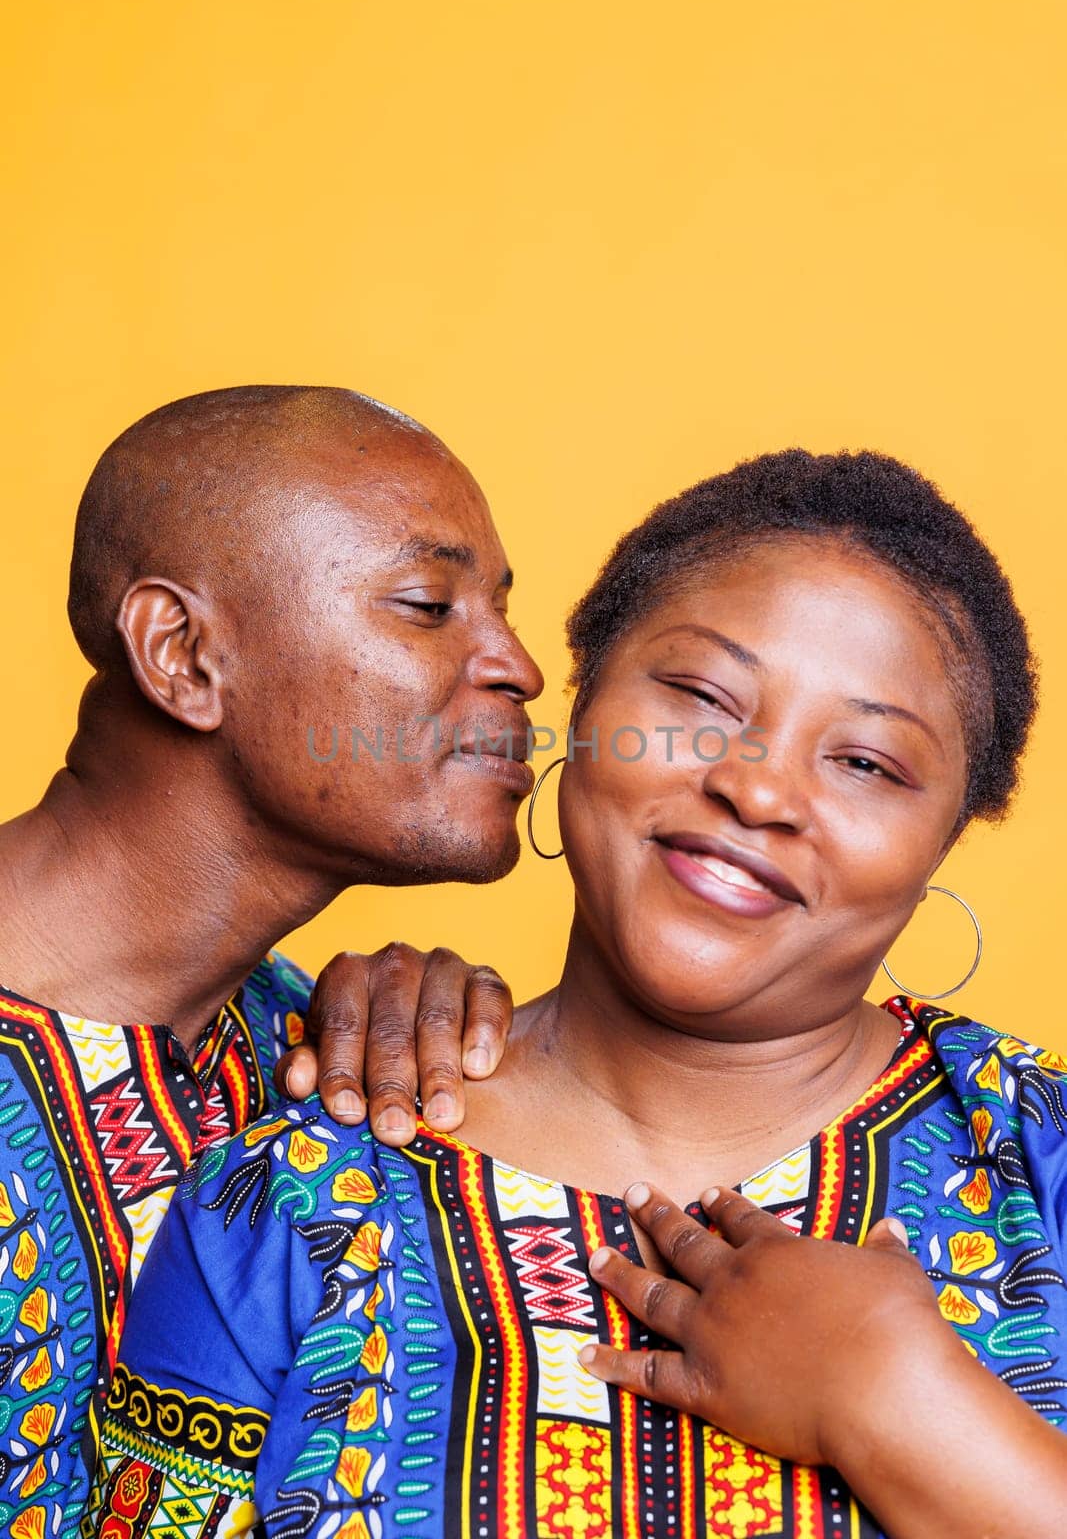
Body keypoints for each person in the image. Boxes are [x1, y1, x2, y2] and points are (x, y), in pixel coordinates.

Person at [90, 448, 1067, 1539]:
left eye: (866, 764)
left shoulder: (1036, 1159)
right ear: (582, 702)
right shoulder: (281, 1201)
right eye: (698, 695)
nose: (754, 787)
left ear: (941, 841)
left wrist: (898, 1404)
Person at [0, 383, 544, 1538]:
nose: (519, 668)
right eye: (425, 603)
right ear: (183, 653)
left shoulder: (329, 1068)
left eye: (498, 608)